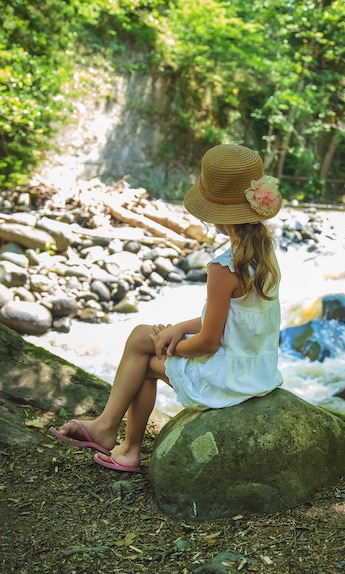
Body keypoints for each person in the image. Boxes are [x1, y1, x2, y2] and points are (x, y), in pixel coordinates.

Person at [49, 144, 284, 472]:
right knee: (144, 337)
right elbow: (236, 318)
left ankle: (120, 440)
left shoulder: (223, 268)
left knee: (144, 351)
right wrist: (179, 329)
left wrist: (172, 347)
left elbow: (209, 343)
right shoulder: (264, 256)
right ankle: (111, 433)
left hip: (228, 382)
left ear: (216, 216)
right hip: (257, 372)